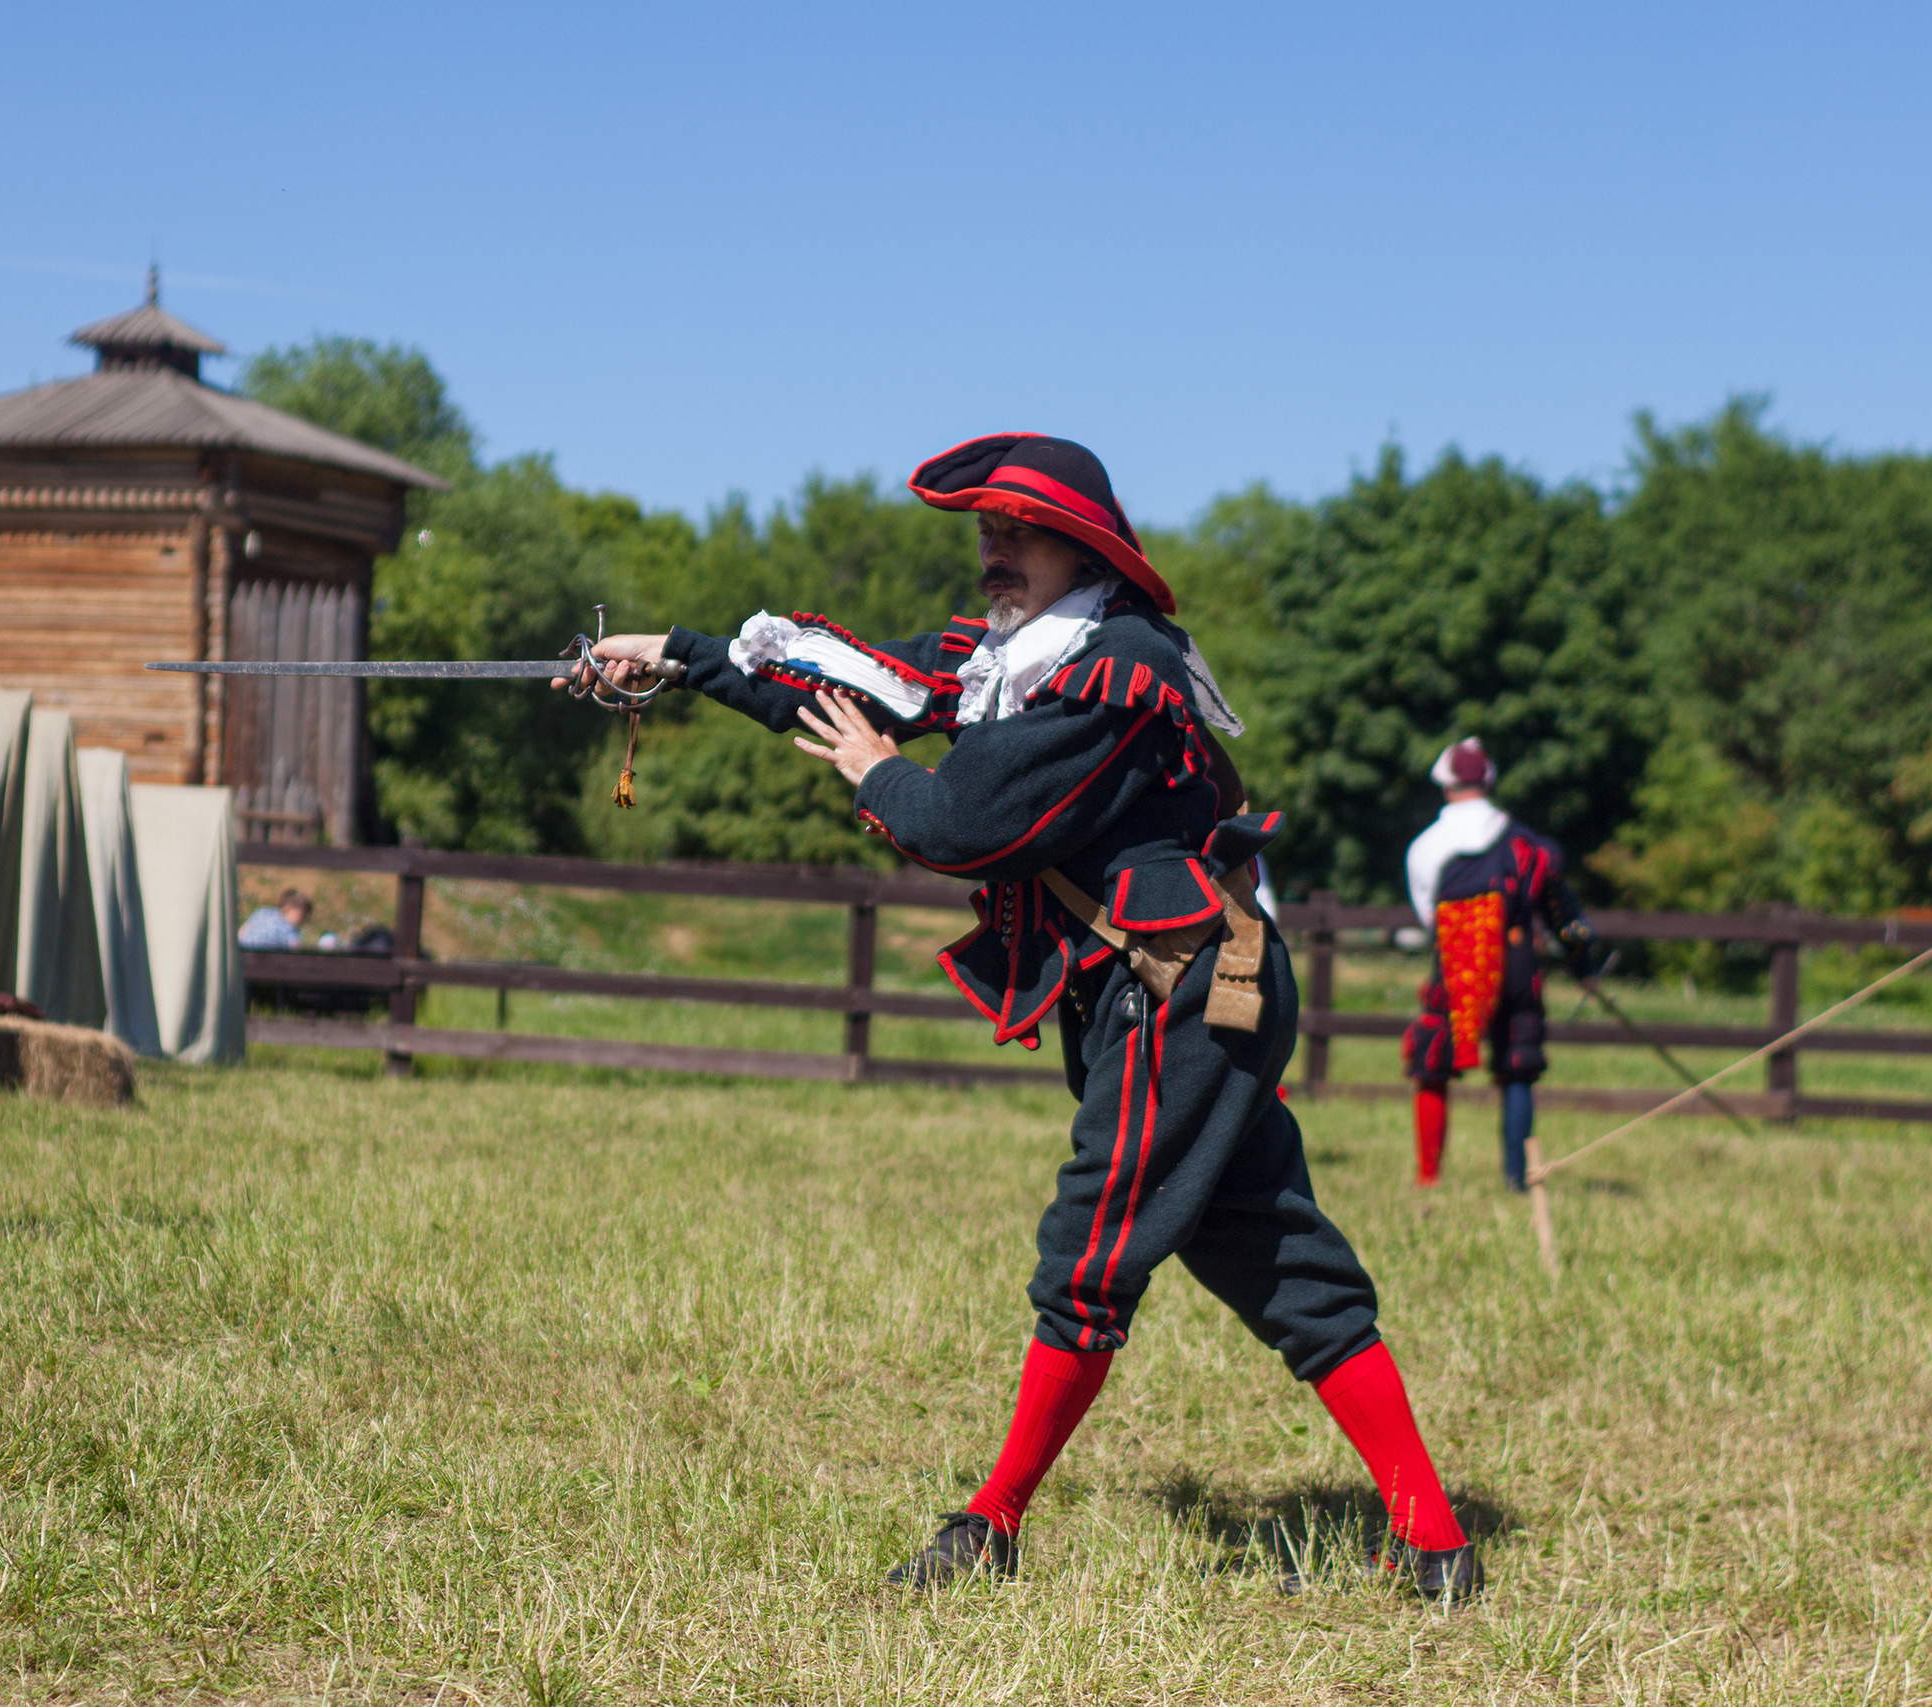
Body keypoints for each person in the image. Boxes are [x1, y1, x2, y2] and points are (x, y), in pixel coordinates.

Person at [570, 435, 1481, 1599]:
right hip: (1175, 983)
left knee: (1090, 1255)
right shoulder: (1019, 654)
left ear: (1081, 545)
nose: (993, 553)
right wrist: (672, 657)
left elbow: (962, 823)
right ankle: (1438, 1546)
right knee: (1269, 1253)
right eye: (986, 533)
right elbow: (851, 684)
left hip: (1181, 991)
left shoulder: (1113, 666)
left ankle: (990, 1526)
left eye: (1017, 532)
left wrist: (876, 776)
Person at [1400, 738, 1602, 1192]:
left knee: (1432, 1061)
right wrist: (1583, 965)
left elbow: (1427, 917)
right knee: (1517, 1066)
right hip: (1516, 964)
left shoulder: (1424, 847)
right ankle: (1517, 1179)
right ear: (1488, 780)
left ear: (1445, 784)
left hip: (1454, 965)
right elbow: (1565, 917)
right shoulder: (1530, 846)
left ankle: (1428, 1177)